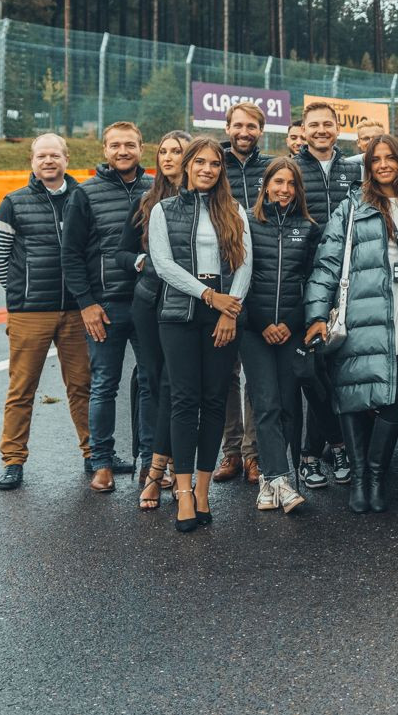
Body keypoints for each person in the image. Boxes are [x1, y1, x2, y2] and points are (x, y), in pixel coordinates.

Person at [305, 135, 398, 514]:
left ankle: (378, 475)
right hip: (358, 316)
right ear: (368, 166)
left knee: (395, 398)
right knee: (352, 395)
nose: (383, 165)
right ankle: (361, 477)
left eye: (390, 158)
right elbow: (327, 264)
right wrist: (316, 315)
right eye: (376, 159)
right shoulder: (352, 207)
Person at [149, 138, 252, 532]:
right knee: (183, 401)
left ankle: (205, 491)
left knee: (213, 402)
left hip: (224, 313)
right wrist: (209, 295)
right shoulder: (164, 209)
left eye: (214, 164)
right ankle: (184, 492)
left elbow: (244, 264)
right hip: (180, 313)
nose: (207, 169)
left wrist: (230, 309)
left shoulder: (234, 209)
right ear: (188, 165)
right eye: (200, 162)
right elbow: (163, 264)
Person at [0, 134, 94, 491]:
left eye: (55, 155)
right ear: (32, 161)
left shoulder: (84, 198)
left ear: (67, 158)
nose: (48, 161)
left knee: (83, 385)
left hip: (77, 310)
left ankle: (93, 453)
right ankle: (13, 460)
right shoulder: (13, 203)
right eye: (41, 155)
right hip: (29, 312)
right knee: (22, 388)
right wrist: (23, 289)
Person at [61, 121, 153, 492]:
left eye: (129, 144)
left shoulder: (155, 189)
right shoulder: (86, 194)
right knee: (103, 385)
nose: (122, 151)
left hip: (150, 304)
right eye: (115, 145)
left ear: (141, 148)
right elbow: (70, 254)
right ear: (104, 150)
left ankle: (149, 460)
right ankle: (101, 462)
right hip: (106, 307)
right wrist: (86, 304)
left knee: (151, 383)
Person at [241, 158, 320, 514]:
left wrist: (291, 321)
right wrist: (262, 323)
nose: (284, 189)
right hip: (254, 330)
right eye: (278, 182)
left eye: (290, 183)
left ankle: (272, 482)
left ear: (297, 189)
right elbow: (239, 278)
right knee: (267, 403)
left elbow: (313, 283)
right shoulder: (247, 222)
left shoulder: (308, 227)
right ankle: (279, 479)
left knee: (289, 406)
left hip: (292, 330)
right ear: (266, 185)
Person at [291, 101, 362, 485]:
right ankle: (324, 447)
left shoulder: (354, 169)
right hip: (304, 284)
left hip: (348, 285)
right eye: (313, 125)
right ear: (303, 131)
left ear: (338, 129)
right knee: (310, 372)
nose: (321, 130)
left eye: (327, 124)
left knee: (337, 373)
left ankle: (321, 454)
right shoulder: (292, 169)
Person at [118, 130, 190, 510]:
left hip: (189, 304)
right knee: (151, 380)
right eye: (162, 151)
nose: (167, 157)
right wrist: (139, 260)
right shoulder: (147, 200)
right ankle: (151, 462)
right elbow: (121, 252)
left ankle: (176, 460)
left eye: (176, 151)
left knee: (178, 384)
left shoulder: (204, 201)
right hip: (148, 301)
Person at [215, 102, 273, 484]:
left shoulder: (272, 167)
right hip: (220, 281)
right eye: (238, 125)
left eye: (251, 126)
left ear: (260, 130)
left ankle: (254, 454)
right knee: (224, 374)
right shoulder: (213, 162)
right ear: (228, 126)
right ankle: (231, 451)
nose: (244, 132)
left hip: (262, 280)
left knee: (256, 373)